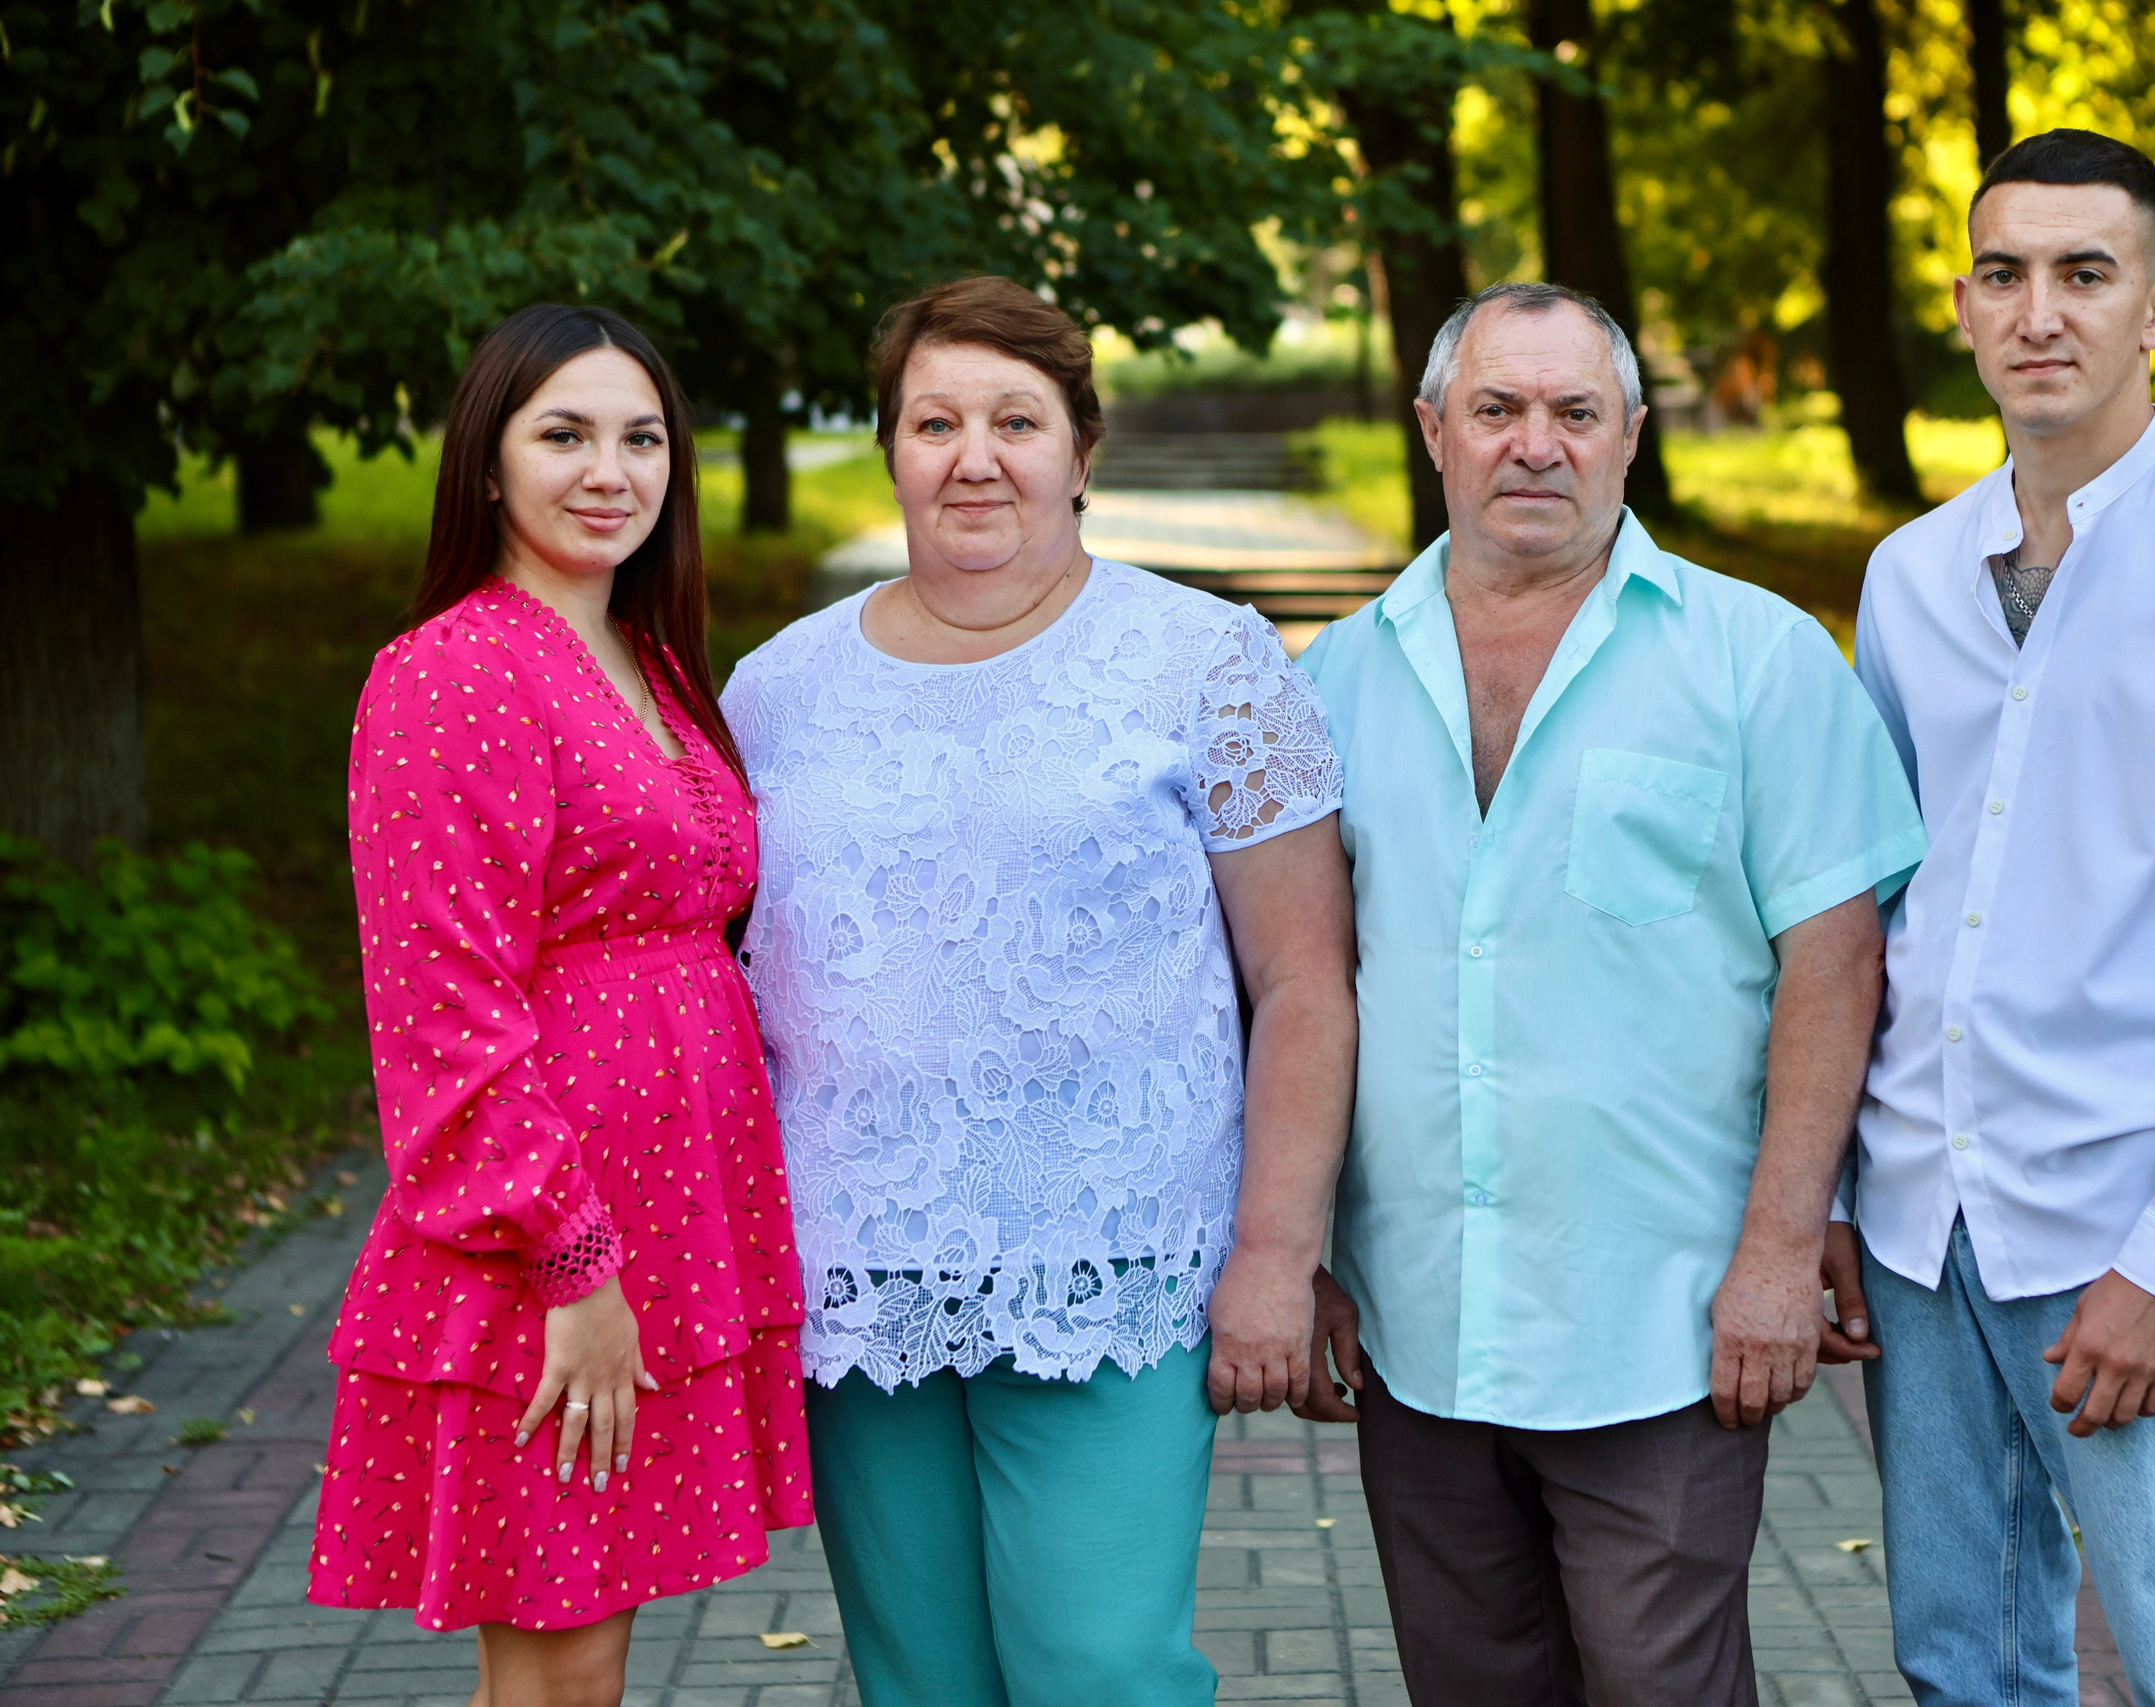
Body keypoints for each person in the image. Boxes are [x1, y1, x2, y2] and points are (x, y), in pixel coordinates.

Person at [720, 274, 1356, 1707]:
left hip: (1113, 1262)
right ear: (887, 448)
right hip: (855, 1278)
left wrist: (1275, 1251)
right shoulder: (776, 689)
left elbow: (1305, 982)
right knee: (921, 1683)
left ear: (1083, 450)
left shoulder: (1205, 664)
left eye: (1017, 419)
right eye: (934, 420)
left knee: (1102, 1672)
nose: (974, 455)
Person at [1292, 282, 1928, 1707]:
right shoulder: (1332, 679)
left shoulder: (1757, 660)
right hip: (1416, 1318)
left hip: (1663, 1316)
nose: (1537, 444)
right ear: (1433, 430)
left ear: (1629, 436)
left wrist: (1781, 1252)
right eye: (1499, 409)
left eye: (1575, 412)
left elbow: (1836, 966)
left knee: (1662, 1686)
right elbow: (1304, 985)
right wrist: (1308, 1243)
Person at [1826, 129, 2155, 1706]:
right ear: (1965, 301)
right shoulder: (1912, 573)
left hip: (2127, 1219)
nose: (2040, 311)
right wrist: (1856, 1205)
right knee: (1962, 1662)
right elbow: (1880, 902)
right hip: (1930, 1221)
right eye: (2006, 274)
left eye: (2086, 273)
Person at [309, 304, 811, 1707]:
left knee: (588, 1655)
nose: (611, 469)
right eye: (565, 434)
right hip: (550, 1236)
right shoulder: (458, 670)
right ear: (486, 464)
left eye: (641, 437)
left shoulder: (646, 658)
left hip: (673, 1214)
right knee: (557, 1674)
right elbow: (441, 1006)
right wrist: (571, 1264)